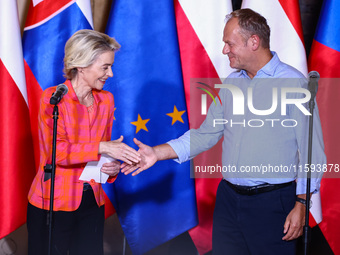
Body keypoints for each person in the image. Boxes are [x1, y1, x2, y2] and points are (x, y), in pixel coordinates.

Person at [121, 9, 326, 255]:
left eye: (229, 43)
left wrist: (302, 203)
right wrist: (156, 153)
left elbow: (311, 153)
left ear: (253, 42)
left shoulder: (294, 84)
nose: (224, 50)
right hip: (228, 201)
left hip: (273, 205)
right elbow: (205, 134)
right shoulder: (232, 83)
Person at [27, 29, 141, 255]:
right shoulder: (53, 99)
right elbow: (56, 153)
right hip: (54, 202)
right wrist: (103, 147)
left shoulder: (106, 100)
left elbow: (102, 152)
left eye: (111, 66)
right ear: (81, 65)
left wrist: (112, 167)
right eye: (105, 67)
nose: (110, 74)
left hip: (92, 202)